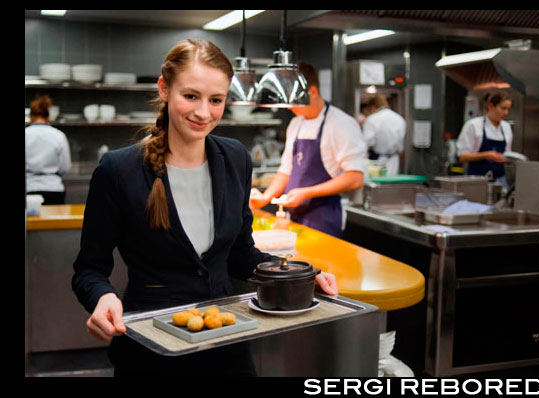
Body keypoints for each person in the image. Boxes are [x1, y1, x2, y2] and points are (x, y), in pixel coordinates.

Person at [71, 39, 338, 378]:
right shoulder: (118, 170)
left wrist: (298, 277)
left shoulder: (235, 158)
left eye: (216, 100)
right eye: (191, 96)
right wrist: (102, 298)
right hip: (151, 347)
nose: (203, 113)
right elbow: (89, 270)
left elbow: (241, 253)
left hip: (227, 346)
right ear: (164, 89)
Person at [249, 61, 367, 238]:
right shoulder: (296, 123)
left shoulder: (341, 124)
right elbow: (285, 171)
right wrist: (265, 197)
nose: (289, 106)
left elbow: (355, 178)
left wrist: (307, 192)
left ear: (312, 91)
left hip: (323, 217)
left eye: (293, 99)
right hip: (294, 216)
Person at [456, 90, 513, 189]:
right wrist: (486, 155)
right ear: (491, 106)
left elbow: (507, 153)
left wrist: (507, 159)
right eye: (503, 108)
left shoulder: (506, 127)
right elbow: (463, 156)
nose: (506, 113)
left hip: (499, 180)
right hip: (475, 180)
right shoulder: (473, 125)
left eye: (508, 109)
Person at [25, 95, 71, 204]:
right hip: (54, 188)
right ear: (48, 116)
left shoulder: (26, 134)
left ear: (31, 115)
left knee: (32, 221)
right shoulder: (58, 135)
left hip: (30, 188)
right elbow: (65, 166)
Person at [361, 94, 406, 176]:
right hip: (394, 161)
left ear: (373, 107)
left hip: (376, 161)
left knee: (377, 186)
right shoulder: (399, 118)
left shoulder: (372, 119)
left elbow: (368, 142)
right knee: (392, 186)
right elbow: (401, 147)